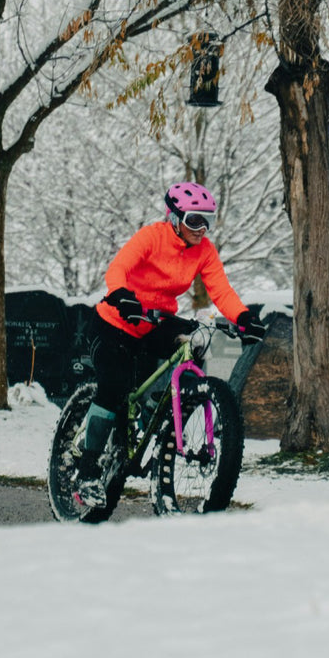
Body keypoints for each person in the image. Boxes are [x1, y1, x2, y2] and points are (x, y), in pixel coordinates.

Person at [75, 181, 267, 506]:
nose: (201, 228)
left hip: (156, 321)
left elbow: (220, 290)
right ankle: (87, 469)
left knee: (192, 345)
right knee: (115, 387)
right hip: (116, 322)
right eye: (195, 220)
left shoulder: (204, 251)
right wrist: (122, 295)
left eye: (208, 221)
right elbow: (118, 268)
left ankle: (161, 418)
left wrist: (243, 318)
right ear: (175, 217)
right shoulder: (152, 237)